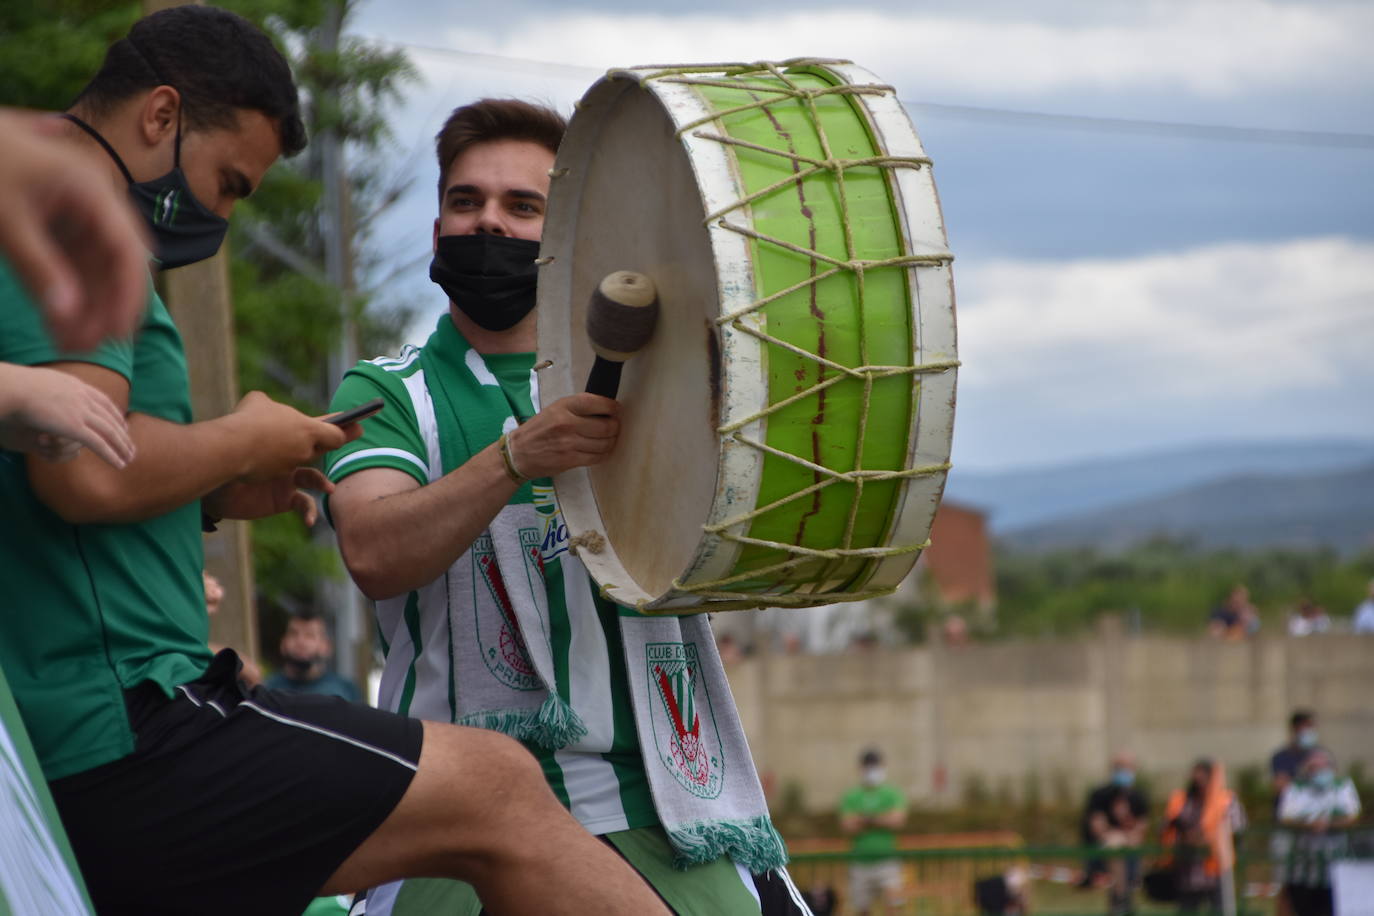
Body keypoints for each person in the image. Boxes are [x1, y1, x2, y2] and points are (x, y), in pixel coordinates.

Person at [0, 10, 667, 915]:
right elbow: (77, 471)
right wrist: (249, 433)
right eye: (229, 182)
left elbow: (59, 467)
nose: (224, 216)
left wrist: (212, 492)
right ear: (161, 116)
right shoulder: (72, 213)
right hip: (127, 720)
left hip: (87, 722)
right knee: (495, 785)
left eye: (522, 208)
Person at [325, 98, 803, 915]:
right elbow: (373, 552)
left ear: (566, 234)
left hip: (664, 808)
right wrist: (516, 458)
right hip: (453, 817)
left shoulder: (671, 389)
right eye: (465, 202)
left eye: (523, 206)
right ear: (436, 227)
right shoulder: (386, 392)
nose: (489, 225)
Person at [1277, 749, 1362, 916]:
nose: (1319, 771)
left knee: (1331, 907)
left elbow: (1352, 816)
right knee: (1304, 907)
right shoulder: (1295, 788)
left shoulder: (1342, 786)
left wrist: (1329, 823)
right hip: (1302, 864)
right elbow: (1286, 817)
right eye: (1314, 767)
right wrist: (1310, 824)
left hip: (1335, 861)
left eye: (1323, 766)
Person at [1161, 759, 1246, 913]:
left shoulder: (1225, 800)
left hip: (1216, 868)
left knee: (1219, 909)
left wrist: (1208, 839)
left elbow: (1237, 828)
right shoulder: (1181, 800)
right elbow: (1168, 825)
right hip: (1187, 868)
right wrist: (1186, 836)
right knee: (1188, 909)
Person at [1079, 751, 1149, 916]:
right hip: (1104, 850)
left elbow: (1140, 830)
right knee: (1114, 843)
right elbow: (1098, 828)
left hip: (1130, 849)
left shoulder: (1138, 796)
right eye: (1119, 767)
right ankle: (1121, 898)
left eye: (1126, 767)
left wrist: (1127, 835)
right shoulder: (1100, 795)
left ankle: (1121, 898)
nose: (1123, 771)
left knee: (1123, 846)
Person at [838, 749, 907, 915]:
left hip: (888, 861)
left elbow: (897, 820)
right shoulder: (852, 795)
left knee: (894, 907)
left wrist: (865, 819)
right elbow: (847, 824)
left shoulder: (892, 793)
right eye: (868, 766)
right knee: (861, 909)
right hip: (860, 863)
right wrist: (881, 819)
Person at [266, 609, 360, 702]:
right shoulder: (269, 691)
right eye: (294, 634)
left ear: (326, 646)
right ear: (283, 643)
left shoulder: (345, 691)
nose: (301, 642)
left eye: (310, 636)